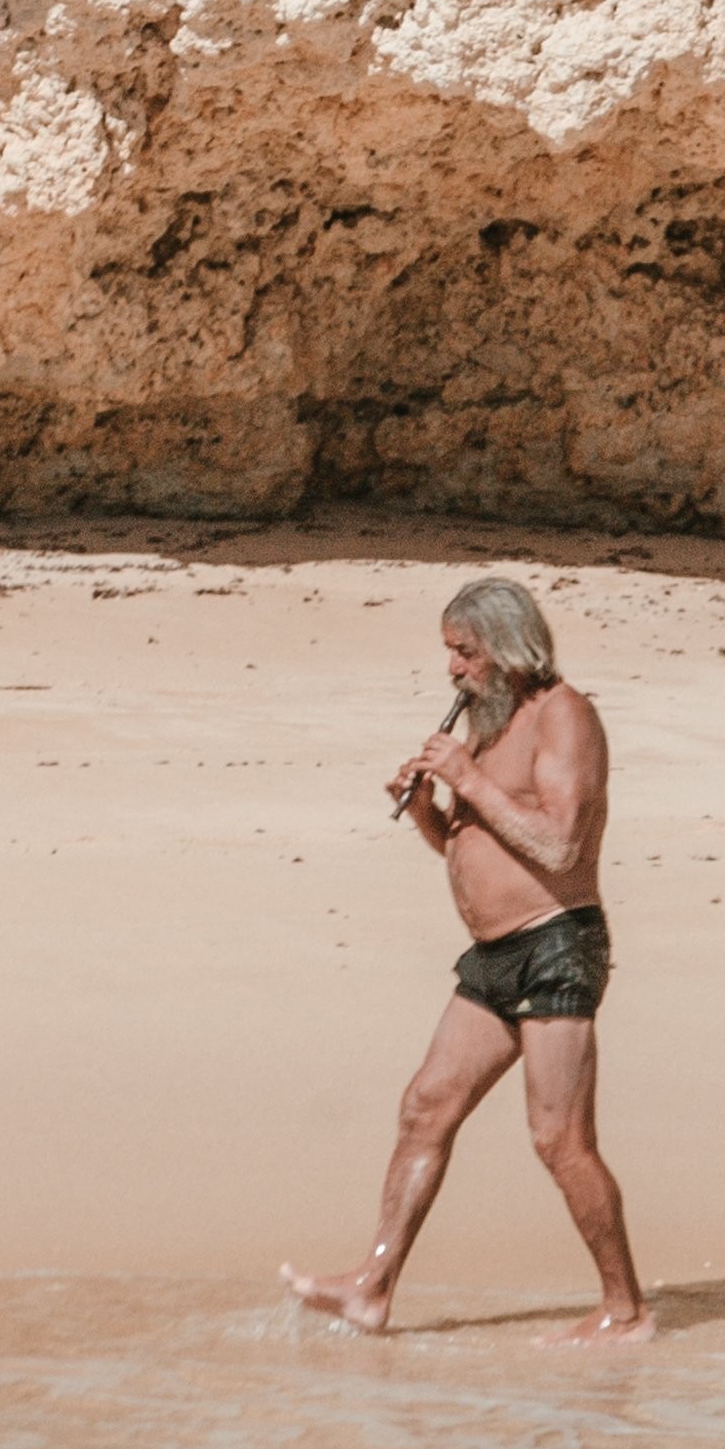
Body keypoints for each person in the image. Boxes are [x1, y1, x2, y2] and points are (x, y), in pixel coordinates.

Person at [285, 569, 654, 1345]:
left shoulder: (566, 718)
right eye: (450, 653)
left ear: (508, 647)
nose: (452, 669)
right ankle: (371, 1288)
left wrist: (466, 777)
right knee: (426, 1106)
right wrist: (430, 809)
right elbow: (474, 844)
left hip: (557, 942)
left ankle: (625, 1307)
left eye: (464, 653)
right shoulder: (485, 723)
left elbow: (558, 843)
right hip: (492, 953)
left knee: (559, 1140)